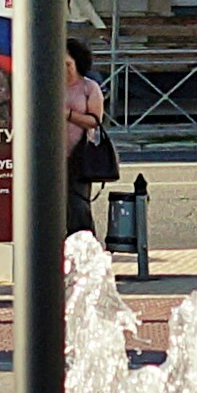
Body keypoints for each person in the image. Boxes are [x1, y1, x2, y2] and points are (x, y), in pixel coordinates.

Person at [65, 39, 120, 242]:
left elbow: (94, 120)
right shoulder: (49, 84)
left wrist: (67, 114)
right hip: (51, 156)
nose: (65, 70)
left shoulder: (89, 87)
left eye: (68, 65)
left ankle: (83, 245)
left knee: (78, 204)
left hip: (79, 154)